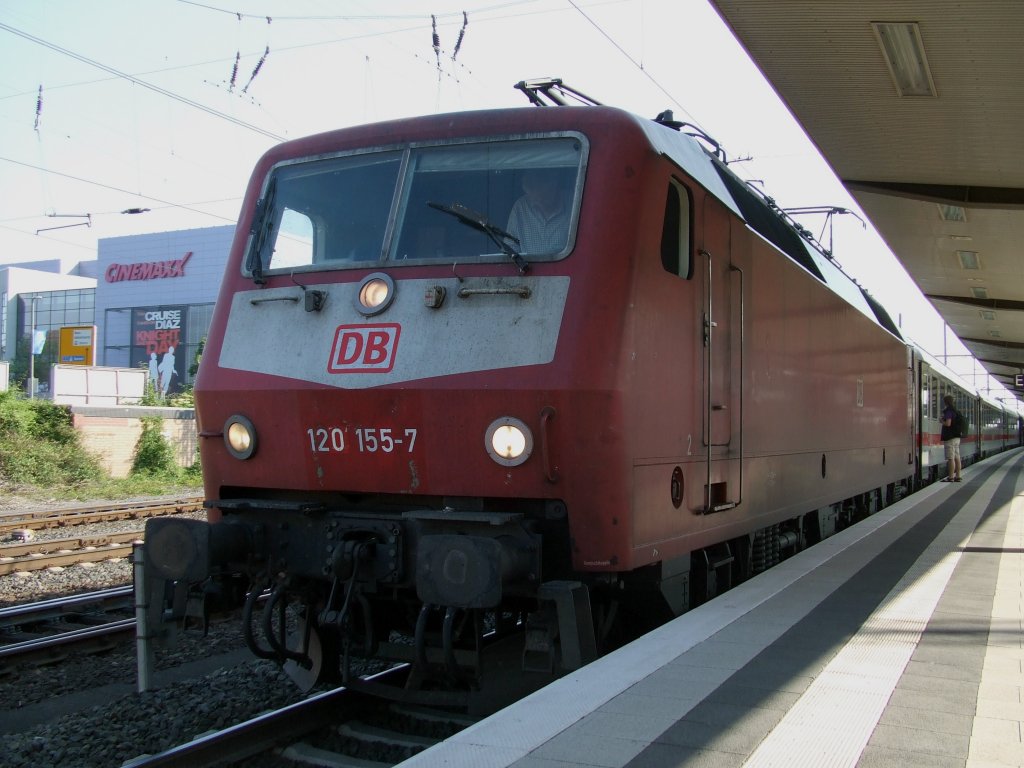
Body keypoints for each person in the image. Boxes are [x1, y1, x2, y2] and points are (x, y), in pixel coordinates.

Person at [505, 168, 570, 254]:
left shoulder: (573, 202)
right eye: (531, 194)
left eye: (542, 196)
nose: (537, 200)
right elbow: (509, 250)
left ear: (554, 184)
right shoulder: (521, 207)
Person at [940, 394, 963, 482]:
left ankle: (950, 477)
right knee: (957, 457)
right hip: (957, 437)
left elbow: (948, 424)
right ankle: (958, 476)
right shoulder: (956, 411)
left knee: (951, 458)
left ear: (945, 402)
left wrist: (942, 421)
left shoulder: (948, 411)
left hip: (950, 438)